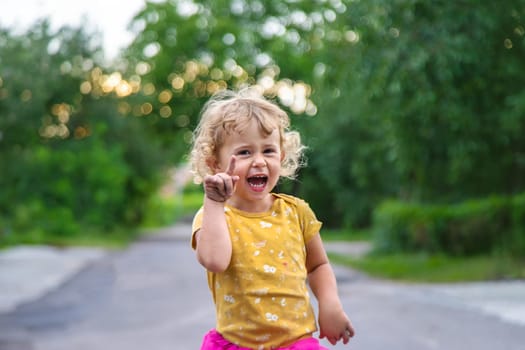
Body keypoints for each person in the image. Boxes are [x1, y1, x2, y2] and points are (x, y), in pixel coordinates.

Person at [189, 88, 354, 350]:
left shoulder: (296, 212)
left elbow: (318, 265)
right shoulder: (214, 216)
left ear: (282, 156)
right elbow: (214, 261)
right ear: (214, 164)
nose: (259, 161)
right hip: (237, 344)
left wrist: (330, 304)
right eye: (244, 152)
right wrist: (214, 202)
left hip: (296, 342)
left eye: (268, 150)